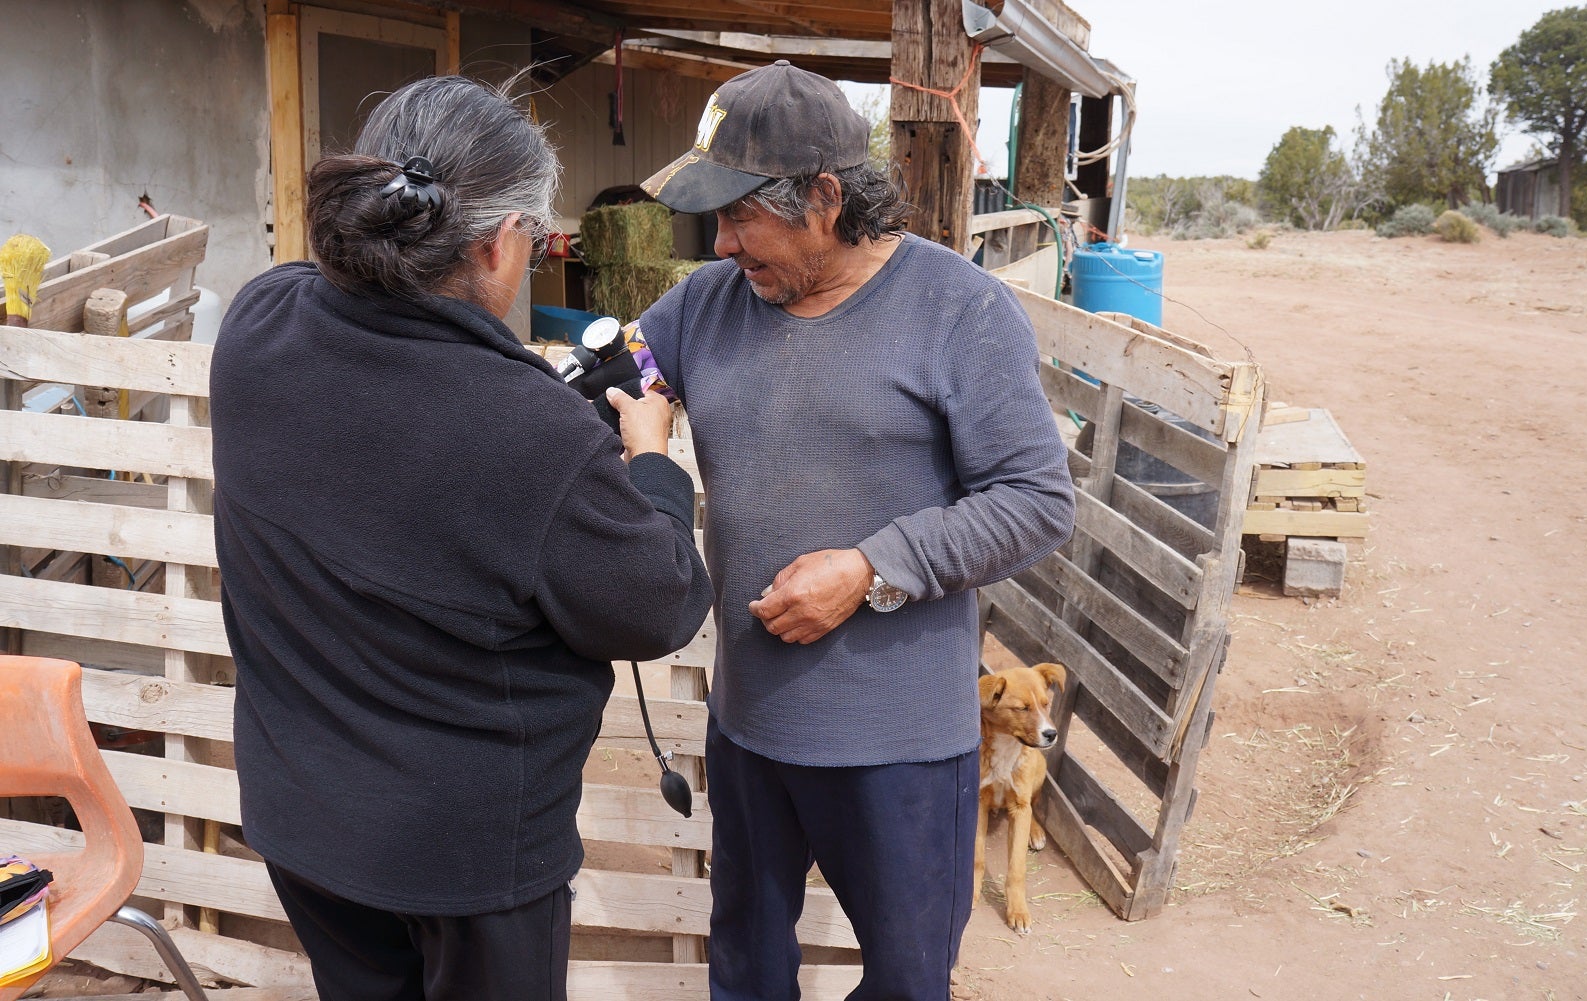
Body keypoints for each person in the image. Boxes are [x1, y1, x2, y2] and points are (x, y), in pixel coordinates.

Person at [210, 74, 712, 1001]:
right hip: (464, 858)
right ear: (496, 240)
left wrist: (541, 412)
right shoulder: (531, 435)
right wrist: (650, 460)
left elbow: (402, 450)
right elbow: (657, 602)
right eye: (536, 236)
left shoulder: (257, 322)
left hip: (303, 817)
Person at [636, 61, 1076, 1000]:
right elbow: (623, 368)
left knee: (908, 981)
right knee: (746, 971)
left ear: (826, 199)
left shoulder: (961, 311)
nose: (720, 243)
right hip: (749, 727)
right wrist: (633, 400)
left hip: (900, 745)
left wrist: (874, 567)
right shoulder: (708, 304)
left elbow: (1038, 500)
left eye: (739, 214)